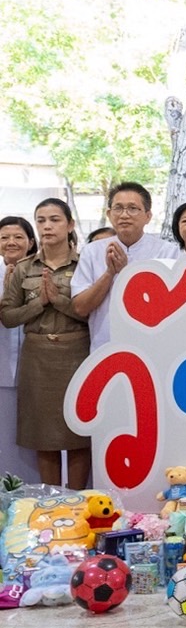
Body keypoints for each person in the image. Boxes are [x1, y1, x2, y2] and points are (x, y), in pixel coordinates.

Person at [2, 199, 89, 487]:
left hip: (77, 353)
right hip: (37, 356)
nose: (47, 226)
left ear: (70, 225)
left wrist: (59, 301)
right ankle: (51, 503)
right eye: (41, 220)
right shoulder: (25, 268)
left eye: (54, 219)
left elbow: (92, 312)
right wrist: (39, 303)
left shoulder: (85, 265)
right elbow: (8, 316)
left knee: (79, 433)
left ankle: (77, 503)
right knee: (44, 435)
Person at [71, 181, 180, 351]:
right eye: (118, 208)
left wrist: (125, 273)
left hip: (152, 348)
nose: (124, 215)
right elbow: (80, 307)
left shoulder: (167, 252)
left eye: (133, 208)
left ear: (148, 216)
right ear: (109, 214)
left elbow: (171, 309)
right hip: (104, 346)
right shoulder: (92, 251)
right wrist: (110, 273)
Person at [0, 216, 38, 480]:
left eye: (18, 237)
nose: (11, 242)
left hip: (35, 365)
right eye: (4, 237)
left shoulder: (38, 271)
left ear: (31, 242)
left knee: (31, 438)